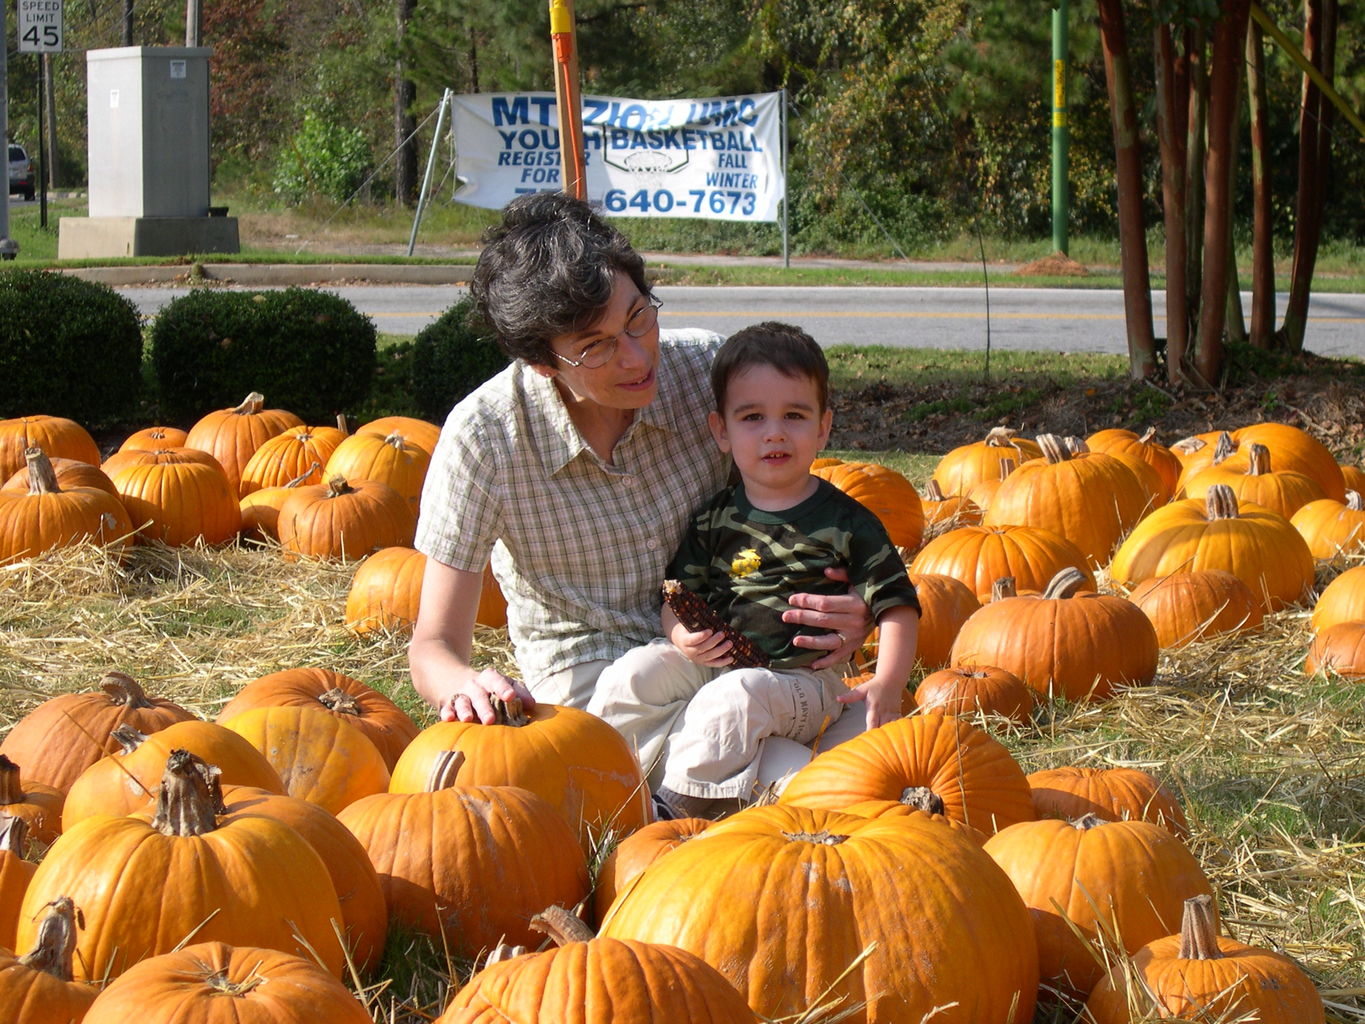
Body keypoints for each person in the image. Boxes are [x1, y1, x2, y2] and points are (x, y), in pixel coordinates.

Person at [409, 192, 872, 734]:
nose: (635, 356)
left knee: (845, 734)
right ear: (541, 362)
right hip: (594, 681)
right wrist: (463, 683)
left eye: (637, 318)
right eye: (597, 347)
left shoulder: (707, 373)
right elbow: (434, 645)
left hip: (726, 642)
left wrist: (848, 600)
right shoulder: (486, 438)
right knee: (766, 764)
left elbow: (792, 513)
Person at [587, 323, 921, 820]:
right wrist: (680, 636)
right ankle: (597, 779)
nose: (774, 432)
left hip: (805, 680)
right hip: (720, 660)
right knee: (634, 674)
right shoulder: (713, 518)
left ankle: (673, 814)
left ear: (823, 427)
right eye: (752, 417)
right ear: (721, 430)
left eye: (794, 415)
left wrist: (890, 684)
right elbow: (675, 596)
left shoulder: (847, 522)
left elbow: (897, 605)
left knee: (736, 696)